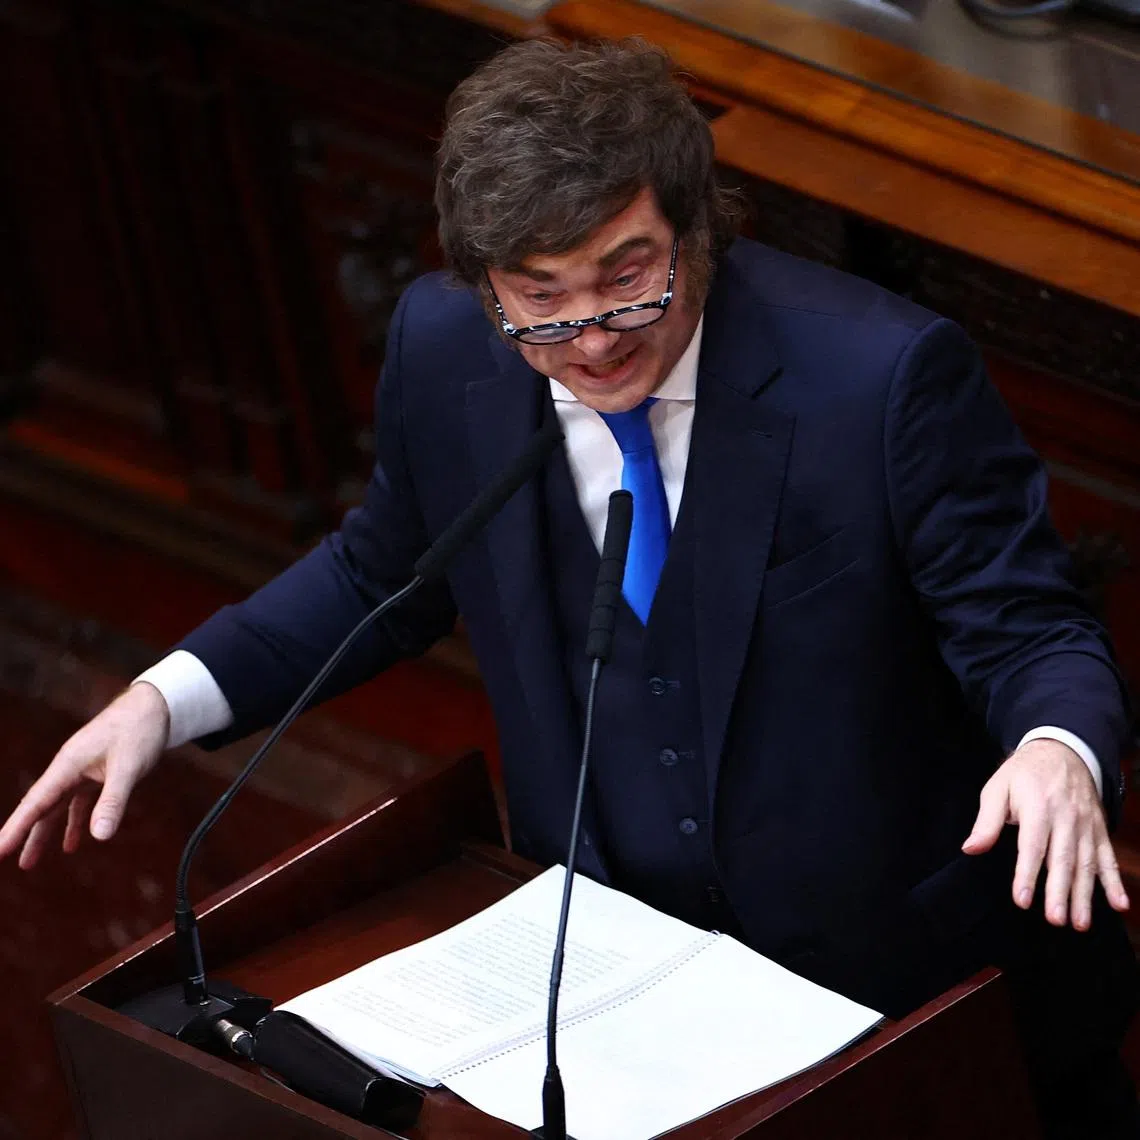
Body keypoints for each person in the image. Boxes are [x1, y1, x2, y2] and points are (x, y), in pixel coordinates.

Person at [1, 36, 1136, 1137]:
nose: (588, 340)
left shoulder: (879, 379)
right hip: (613, 973)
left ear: (696, 230)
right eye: (537, 297)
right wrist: (166, 698)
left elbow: (1029, 626)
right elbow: (380, 570)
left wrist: (1054, 748)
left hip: (895, 988)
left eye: (624, 278)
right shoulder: (449, 346)